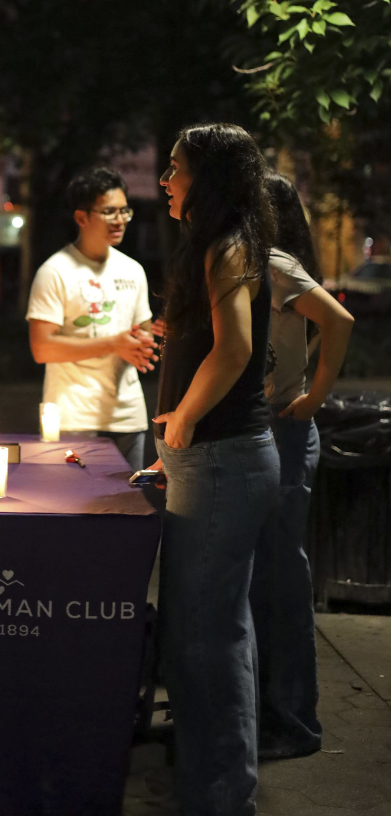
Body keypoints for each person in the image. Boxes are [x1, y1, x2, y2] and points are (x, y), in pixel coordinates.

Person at [150, 123, 280, 816]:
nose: (164, 180)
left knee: (206, 637)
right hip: (214, 460)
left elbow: (233, 351)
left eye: (174, 168)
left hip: (222, 460)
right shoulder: (216, 244)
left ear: (207, 176)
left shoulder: (228, 245)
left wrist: (183, 421)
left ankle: (220, 799)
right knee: (213, 629)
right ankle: (212, 789)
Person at [249, 172, 354, 760]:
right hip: (278, 429)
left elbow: (339, 321)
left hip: (286, 434)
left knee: (282, 584)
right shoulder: (271, 263)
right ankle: (279, 713)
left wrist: (313, 395)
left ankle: (293, 722)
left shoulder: (275, 263)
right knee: (269, 581)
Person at [26, 167, 157, 471]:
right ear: (82, 217)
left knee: (126, 509)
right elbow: (42, 348)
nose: (120, 219)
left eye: (125, 210)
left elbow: (143, 337)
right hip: (74, 416)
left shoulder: (133, 270)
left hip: (128, 415)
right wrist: (113, 343)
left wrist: (151, 342)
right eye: (109, 211)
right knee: (75, 508)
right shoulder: (55, 271)